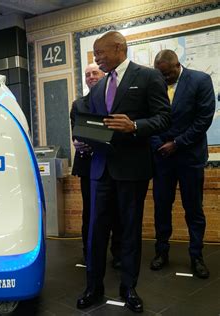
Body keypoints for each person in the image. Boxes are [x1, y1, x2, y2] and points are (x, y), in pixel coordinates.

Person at [76, 31, 170, 313]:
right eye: (94, 54)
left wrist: (136, 126)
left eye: (100, 52)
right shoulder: (99, 86)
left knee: (129, 231)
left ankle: (129, 288)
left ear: (118, 47)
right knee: (96, 233)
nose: (97, 58)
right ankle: (93, 287)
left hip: (132, 170)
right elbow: (93, 121)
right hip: (99, 170)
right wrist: (83, 135)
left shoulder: (148, 77)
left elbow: (164, 118)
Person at [150, 49, 215, 278]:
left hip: (190, 157)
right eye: (160, 75)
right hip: (162, 159)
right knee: (161, 208)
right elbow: (151, 118)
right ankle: (161, 252)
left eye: (167, 74)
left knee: (194, 210)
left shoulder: (200, 80)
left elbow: (203, 119)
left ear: (177, 65)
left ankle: (196, 256)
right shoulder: (155, 82)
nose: (164, 79)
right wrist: (159, 144)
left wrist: (176, 143)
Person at [70, 63, 121, 269]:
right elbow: (76, 131)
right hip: (88, 165)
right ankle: (89, 253)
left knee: (117, 212)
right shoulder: (78, 105)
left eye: (95, 73)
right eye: (87, 74)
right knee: (90, 213)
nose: (91, 77)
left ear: (105, 76)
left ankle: (117, 254)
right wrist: (77, 141)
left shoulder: (116, 101)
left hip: (114, 164)